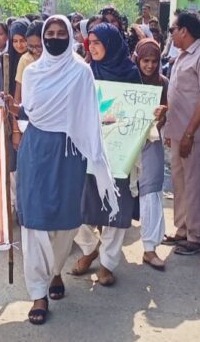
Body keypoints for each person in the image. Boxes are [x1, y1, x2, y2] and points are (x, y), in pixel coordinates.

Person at [5, 15, 118, 325]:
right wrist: (14, 110)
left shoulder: (81, 73)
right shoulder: (32, 73)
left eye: (60, 33)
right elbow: (31, 111)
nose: (54, 38)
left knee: (66, 222)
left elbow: (87, 116)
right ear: (43, 37)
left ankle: (55, 271)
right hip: (36, 151)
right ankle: (38, 292)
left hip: (69, 153)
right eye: (49, 33)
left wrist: (96, 155)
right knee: (35, 223)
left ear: (69, 36)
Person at [71, 23, 143, 285]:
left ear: (111, 44)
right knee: (78, 207)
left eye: (98, 42)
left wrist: (153, 114)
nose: (92, 47)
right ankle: (90, 250)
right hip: (88, 152)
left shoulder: (131, 74)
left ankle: (108, 263)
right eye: (90, 42)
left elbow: (137, 111)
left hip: (119, 153)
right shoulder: (86, 73)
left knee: (117, 208)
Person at [161, 11, 200, 256]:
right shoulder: (183, 56)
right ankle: (183, 230)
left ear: (184, 30)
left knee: (196, 184)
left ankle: (196, 237)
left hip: (195, 134)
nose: (171, 34)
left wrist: (189, 134)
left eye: (172, 29)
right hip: (178, 131)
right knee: (180, 183)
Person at [134, 38, 168, 270]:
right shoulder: (128, 78)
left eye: (154, 61)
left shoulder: (162, 82)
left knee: (152, 191)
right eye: (145, 61)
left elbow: (163, 118)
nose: (149, 66)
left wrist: (161, 114)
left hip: (151, 141)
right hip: (125, 142)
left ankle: (150, 248)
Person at [13, 20, 44, 103]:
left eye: (39, 46)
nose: (34, 50)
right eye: (30, 46)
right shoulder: (25, 60)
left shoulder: (56, 60)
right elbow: (18, 93)